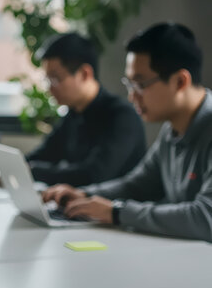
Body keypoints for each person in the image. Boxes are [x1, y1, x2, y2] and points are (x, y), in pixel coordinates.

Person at [43, 22, 212, 242]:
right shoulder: (172, 129)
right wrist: (86, 194)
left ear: (180, 81)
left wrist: (116, 212)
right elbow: (138, 184)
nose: (132, 96)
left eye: (140, 85)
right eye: (129, 84)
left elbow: (206, 217)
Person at [27, 33, 146, 187]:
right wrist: (17, 166)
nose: (50, 89)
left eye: (55, 79)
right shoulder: (73, 114)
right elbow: (43, 154)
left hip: (115, 207)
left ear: (85, 74)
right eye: (47, 80)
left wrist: (33, 171)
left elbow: (93, 175)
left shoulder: (122, 116)